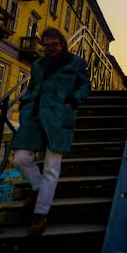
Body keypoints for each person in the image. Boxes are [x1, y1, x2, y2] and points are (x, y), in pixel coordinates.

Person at [11, 27, 90, 236]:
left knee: (51, 167)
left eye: (54, 44)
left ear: (62, 43)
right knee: (19, 159)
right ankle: (39, 191)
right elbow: (32, 88)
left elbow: (85, 85)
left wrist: (73, 101)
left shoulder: (76, 62)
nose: (51, 48)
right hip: (34, 117)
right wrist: (25, 105)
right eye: (46, 46)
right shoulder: (37, 65)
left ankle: (40, 213)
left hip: (59, 117)